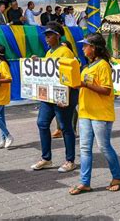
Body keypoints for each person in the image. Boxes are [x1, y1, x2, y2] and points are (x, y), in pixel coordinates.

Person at [69, 33, 120, 195]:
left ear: (94, 48)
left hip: (100, 114)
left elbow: (106, 90)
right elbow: (81, 86)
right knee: (85, 148)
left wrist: (84, 84)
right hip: (85, 112)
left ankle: (118, 177)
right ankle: (84, 182)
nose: (83, 48)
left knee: (104, 147)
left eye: (86, 45)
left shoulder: (103, 65)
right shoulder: (86, 66)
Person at [31, 21, 78, 173]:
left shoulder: (66, 52)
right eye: (45, 35)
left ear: (57, 36)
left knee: (65, 127)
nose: (46, 38)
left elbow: (70, 77)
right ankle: (46, 159)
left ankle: (70, 161)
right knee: (42, 123)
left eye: (49, 35)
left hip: (62, 97)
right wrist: (38, 62)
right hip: (48, 97)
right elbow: (48, 73)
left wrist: (67, 98)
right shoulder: (49, 52)